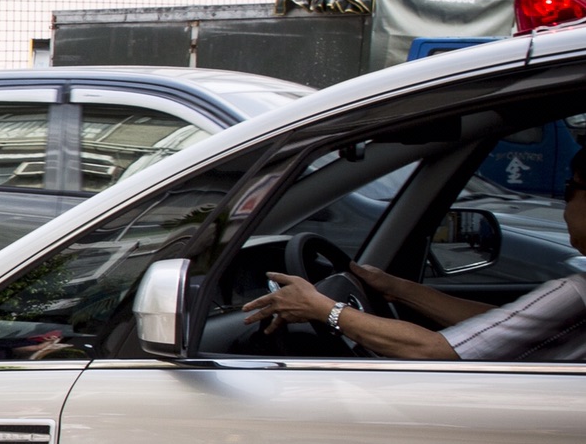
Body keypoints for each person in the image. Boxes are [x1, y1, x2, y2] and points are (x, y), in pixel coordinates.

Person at [245, 148, 586, 360]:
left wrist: (322, 309)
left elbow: (435, 350)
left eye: (571, 188)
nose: (564, 201)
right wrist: (398, 289)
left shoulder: (576, 292)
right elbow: (501, 325)